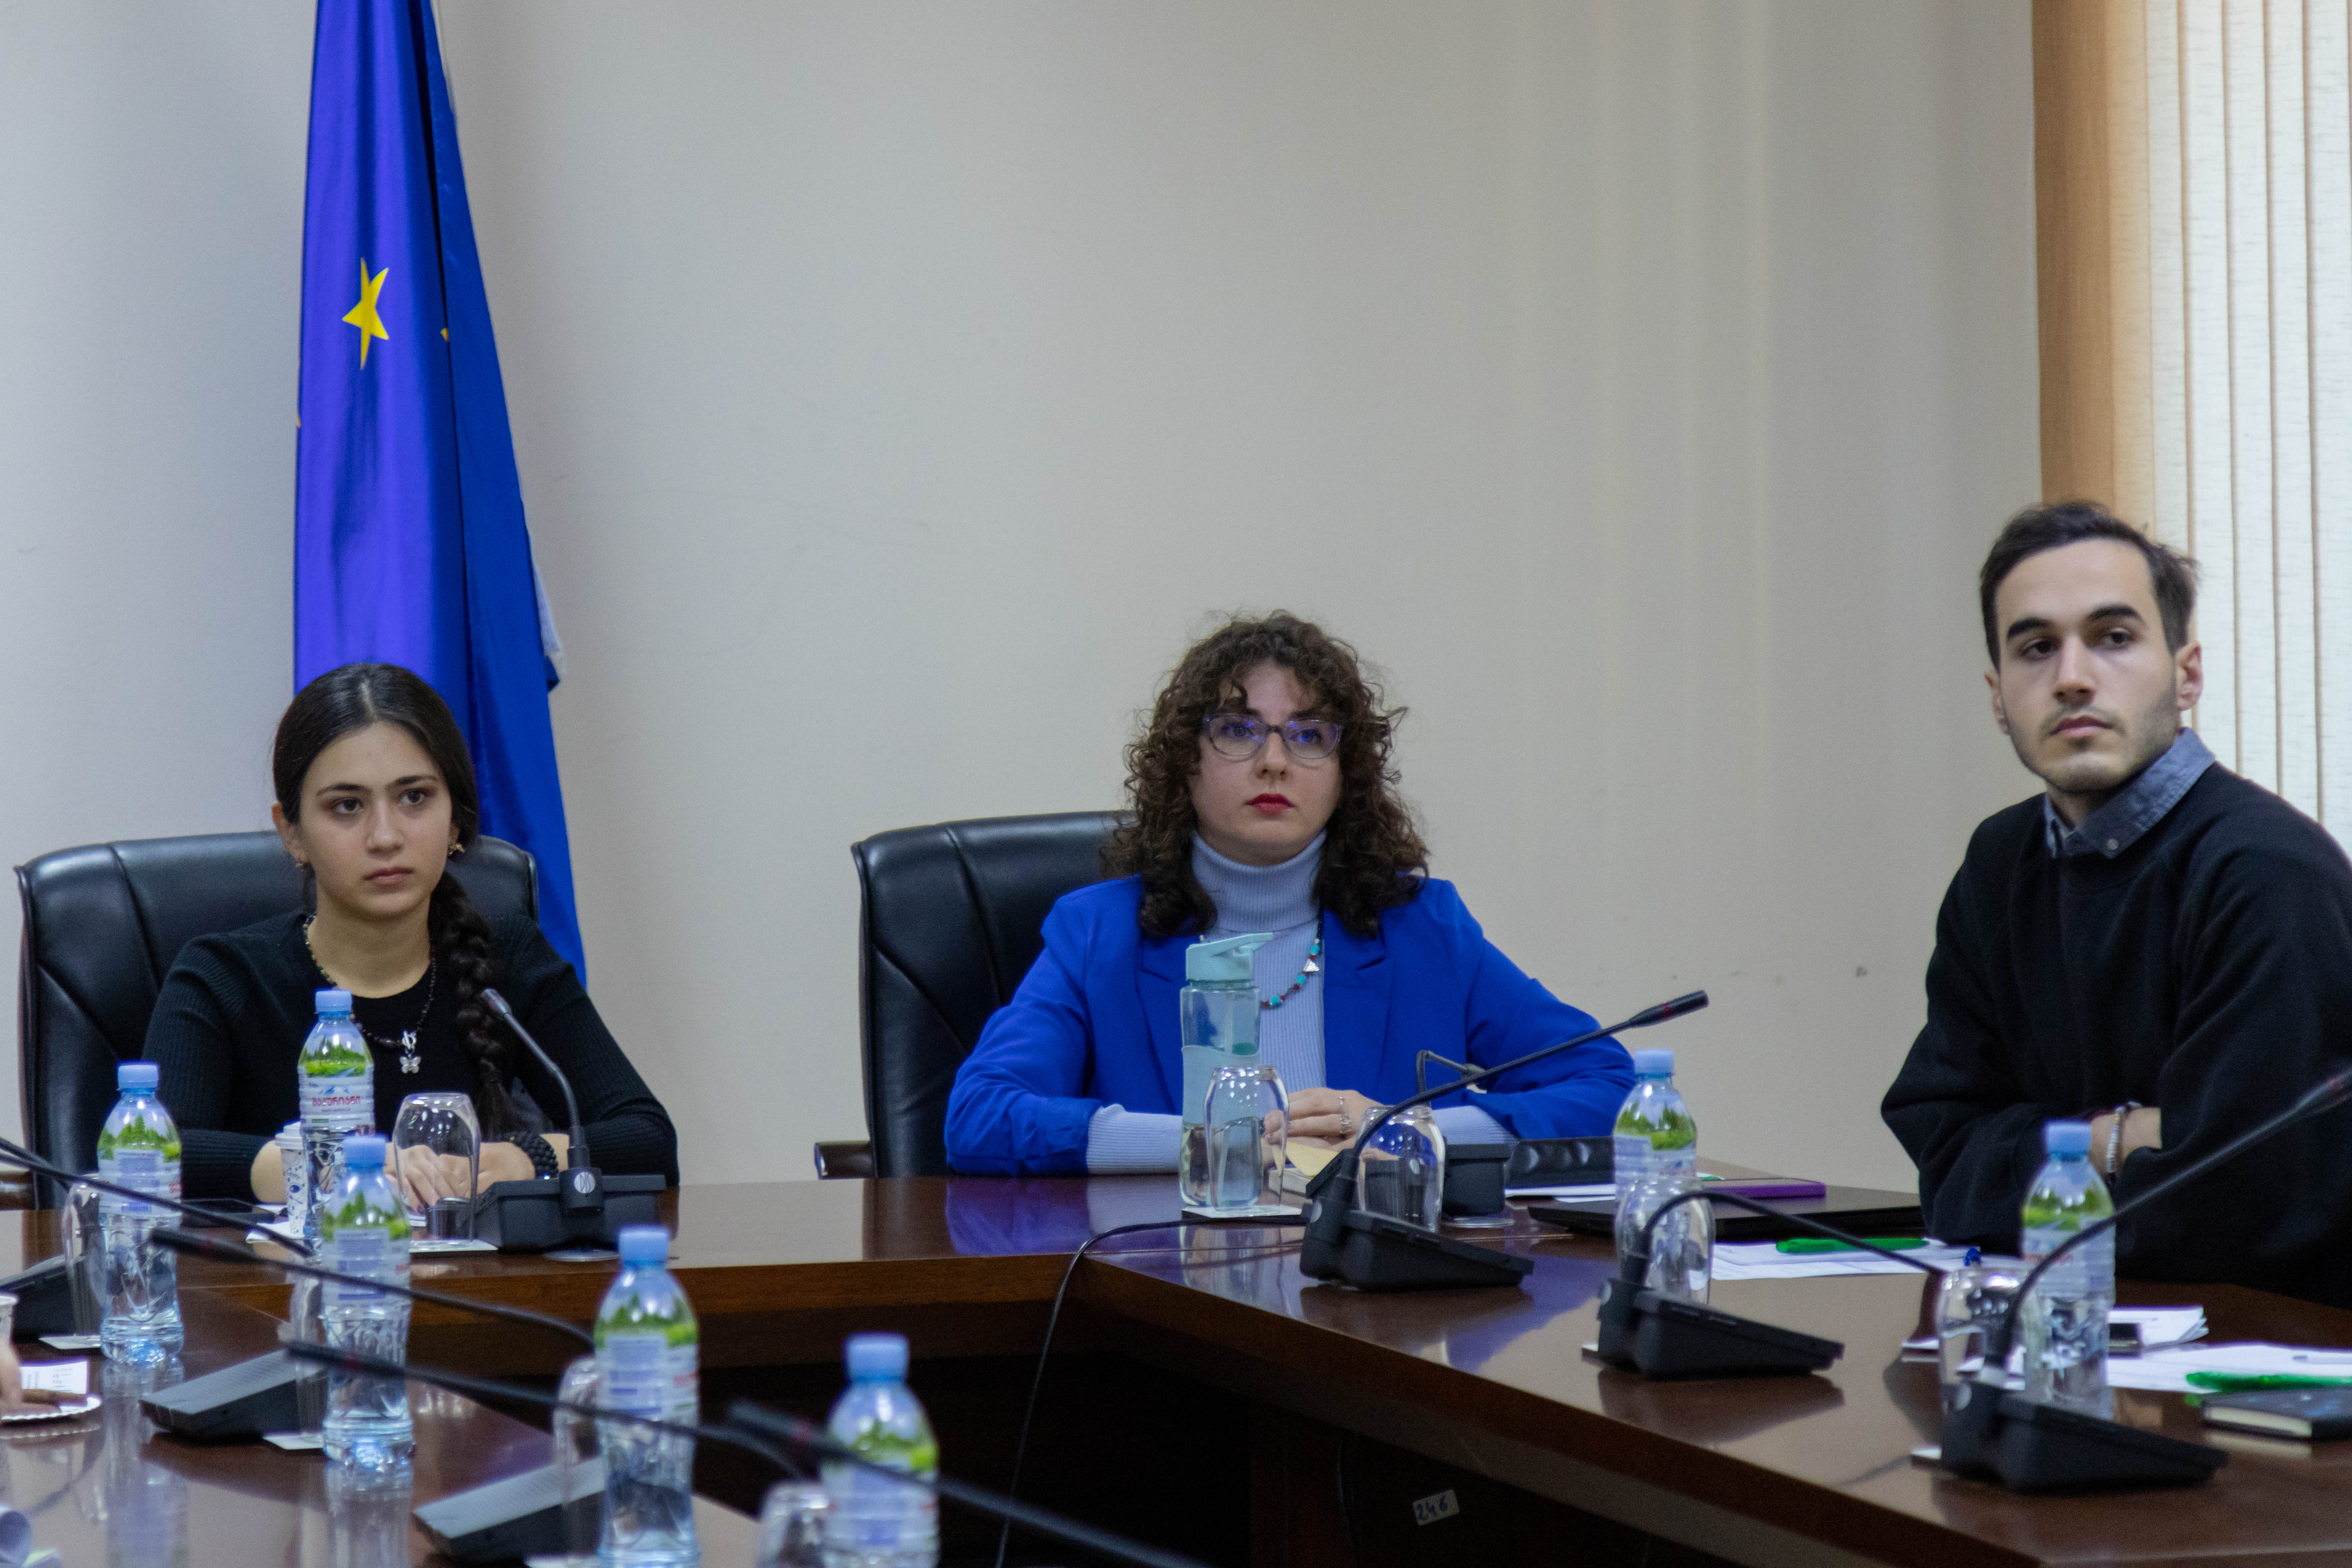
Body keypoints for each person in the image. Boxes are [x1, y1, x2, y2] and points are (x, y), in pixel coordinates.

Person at [945, 612, 1635, 1175]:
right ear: (1184, 761)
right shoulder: (1098, 934)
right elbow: (979, 1118)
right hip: (1162, 1282)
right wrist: (1209, 1145)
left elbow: (1611, 1089)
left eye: (1309, 735)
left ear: (1344, 772)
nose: (1274, 760)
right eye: (1236, 729)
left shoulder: (1424, 929)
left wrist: (1405, 1131)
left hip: (1372, 1288)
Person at [1883, 501, 2352, 1304]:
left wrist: (2026, 1161)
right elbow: (1945, 1160)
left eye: (2112, 637)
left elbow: (2234, 1208)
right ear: (1998, 697)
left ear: (2187, 674)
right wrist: (2113, 1140)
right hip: (2074, 1324)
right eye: (2036, 648)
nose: (2071, 676)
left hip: (2268, 1349)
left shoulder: (2264, 872)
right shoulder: (1999, 862)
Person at [145, 663, 678, 1205]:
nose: (385, 836)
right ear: (292, 832)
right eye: (347, 806)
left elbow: (648, 1137)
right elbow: (148, 1153)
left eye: (415, 797)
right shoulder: (222, 977)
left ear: (454, 821)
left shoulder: (507, 957)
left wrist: (525, 1157)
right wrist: (327, 1165)